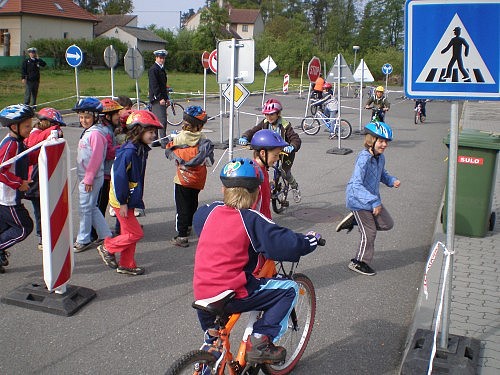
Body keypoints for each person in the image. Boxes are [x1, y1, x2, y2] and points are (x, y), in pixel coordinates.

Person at [193, 157, 322, 364]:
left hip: (202, 292)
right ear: (255, 195)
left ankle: (210, 350)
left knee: (216, 338)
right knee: (288, 289)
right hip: (232, 292)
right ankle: (260, 341)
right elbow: (283, 244)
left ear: (224, 190)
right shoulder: (251, 219)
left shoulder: (208, 213)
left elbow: (198, 221)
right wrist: (309, 241)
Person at [96, 110, 162, 276]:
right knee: (135, 233)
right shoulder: (129, 152)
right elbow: (119, 178)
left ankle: (127, 264)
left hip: (129, 197)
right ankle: (107, 247)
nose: (153, 135)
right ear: (138, 130)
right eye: (150, 131)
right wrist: (123, 202)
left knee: (128, 234)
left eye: (154, 132)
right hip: (122, 200)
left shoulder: (139, 149)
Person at [336, 121, 400, 276]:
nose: (384, 145)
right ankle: (358, 262)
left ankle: (356, 221)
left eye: (386, 142)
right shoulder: (363, 158)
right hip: (358, 200)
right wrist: (374, 202)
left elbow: (382, 174)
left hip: (371, 199)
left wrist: (391, 180)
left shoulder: (380, 158)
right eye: (381, 141)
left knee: (387, 224)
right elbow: (355, 185)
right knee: (369, 232)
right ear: (371, 140)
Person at [165, 106, 214, 248]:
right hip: (198, 179)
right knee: (193, 202)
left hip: (182, 179)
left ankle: (182, 235)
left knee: (182, 206)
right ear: (200, 125)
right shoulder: (203, 139)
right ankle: (189, 225)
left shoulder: (179, 138)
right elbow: (209, 161)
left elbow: (170, 152)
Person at [238, 98, 302, 203]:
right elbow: (253, 131)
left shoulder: (285, 125)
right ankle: (266, 186)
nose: (269, 117)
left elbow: (295, 138)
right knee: (260, 166)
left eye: (272, 114)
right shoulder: (264, 123)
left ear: (278, 114)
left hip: (285, 152)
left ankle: (294, 186)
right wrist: (245, 137)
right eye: (266, 115)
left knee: (285, 172)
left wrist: (292, 146)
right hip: (270, 151)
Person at [72, 97, 112, 253]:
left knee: (85, 209)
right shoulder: (90, 132)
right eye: (81, 117)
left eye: (87, 117)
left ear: (96, 117)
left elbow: (96, 159)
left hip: (91, 178)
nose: (83, 120)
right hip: (88, 177)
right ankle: (105, 235)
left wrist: (88, 178)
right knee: (91, 207)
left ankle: (83, 239)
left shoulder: (95, 134)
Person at [0, 104, 36, 273]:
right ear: (14, 127)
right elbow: (1, 169)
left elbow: (26, 159)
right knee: (24, 228)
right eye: (27, 126)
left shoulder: (17, 142)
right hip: (8, 198)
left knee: (5, 228)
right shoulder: (11, 145)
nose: (30, 129)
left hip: (7, 197)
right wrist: (18, 183)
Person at [24, 107, 65, 251]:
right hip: (36, 177)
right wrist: (54, 128)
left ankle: (47, 235)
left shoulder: (37, 133)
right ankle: (43, 237)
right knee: (42, 210)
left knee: (44, 209)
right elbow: (34, 142)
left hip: (39, 176)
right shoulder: (40, 133)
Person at [89, 98, 122, 244]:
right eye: (116, 114)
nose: (118, 117)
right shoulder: (105, 131)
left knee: (99, 204)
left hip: (104, 173)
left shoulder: (106, 129)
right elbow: (108, 153)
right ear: (107, 116)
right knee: (99, 204)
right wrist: (123, 147)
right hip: (104, 174)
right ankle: (94, 234)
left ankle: (95, 232)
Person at [249, 129, 287, 220]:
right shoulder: (254, 175)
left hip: (265, 220)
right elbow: (250, 211)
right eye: (275, 155)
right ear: (263, 153)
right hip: (260, 224)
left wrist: (267, 185)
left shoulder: (262, 169)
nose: (278, 158)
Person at [148, 49, 169, 148]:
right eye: (160, 58)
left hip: (162, 97)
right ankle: (163, 140)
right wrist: (160, 98)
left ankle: (155, 139)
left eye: (163, 58)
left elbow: (163, 86)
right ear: (156, 58)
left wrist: (166, 98)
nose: (162, 60)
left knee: (156, 119)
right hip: (157, 99)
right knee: (162, 119)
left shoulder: (161, 69)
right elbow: (154, 85)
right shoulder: (153, 69)